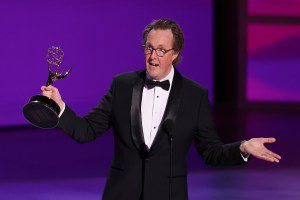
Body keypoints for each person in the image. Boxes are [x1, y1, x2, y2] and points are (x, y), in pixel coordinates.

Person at [41, 19, 281, 200]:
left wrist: (243, 147)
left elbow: (211, 152)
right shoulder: (122, 86)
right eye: (149, 48)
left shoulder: (195, 96)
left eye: (161, 50)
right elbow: (87, 130)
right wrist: (60, 106)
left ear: (175, 54)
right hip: (121, 193)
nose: (153, 56)